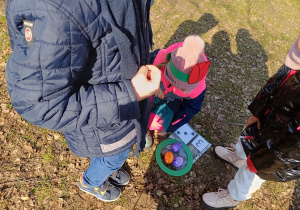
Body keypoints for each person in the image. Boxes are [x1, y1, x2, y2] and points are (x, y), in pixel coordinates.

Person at [5, 0, 160, 202]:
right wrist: (132, 93)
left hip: (116, 113)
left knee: (109, 157)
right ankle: (91, 182)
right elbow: (39, 103)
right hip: (106, 123)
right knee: (113, 158)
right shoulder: (56, 10)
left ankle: (105, 169)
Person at [202, 34, 300, 209]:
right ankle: (238, 156)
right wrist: (257, 111)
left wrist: (261, 160)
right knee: (247, 138)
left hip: (279, 152)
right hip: (269, 121)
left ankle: (232, 197)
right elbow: (275, 82)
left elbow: (293, 144)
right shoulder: (296, 61)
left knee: (251, 173)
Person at [145, 35, 211, 149]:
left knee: (156, 121)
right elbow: (141, 71)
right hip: (151, 92)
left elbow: (190, 109)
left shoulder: (198, 89)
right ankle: (143, 128)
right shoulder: (159, 57)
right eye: (177, 85)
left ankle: (150, 127)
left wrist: (169, 126)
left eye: (184, 89)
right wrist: (154, 84)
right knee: (141, 110)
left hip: (171, 103)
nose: (180, 89)